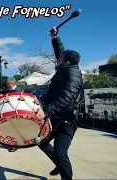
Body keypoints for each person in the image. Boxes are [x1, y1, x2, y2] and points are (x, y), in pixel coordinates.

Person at [34, 27, 83, 180]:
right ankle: (59, 164)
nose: (57, 60)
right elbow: (60, 52)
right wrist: (55, 38)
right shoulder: (66, 67)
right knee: (42, 142)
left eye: (60, 59)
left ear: (66, 63)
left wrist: (46, 110)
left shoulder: (74, 76)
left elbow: (67, 99)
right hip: (57, 117)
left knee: (60, 153)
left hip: (67, 120)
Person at [0, 77, 21, 152]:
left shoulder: (18, 90)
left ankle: (15, 146)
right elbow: (2, 91)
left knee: (14, 130)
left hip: (16, 113)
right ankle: (11, 143)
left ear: (13, 83)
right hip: (11, 112)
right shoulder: (9, 90)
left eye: (8, 84)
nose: (7, 85)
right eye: (7, 84)